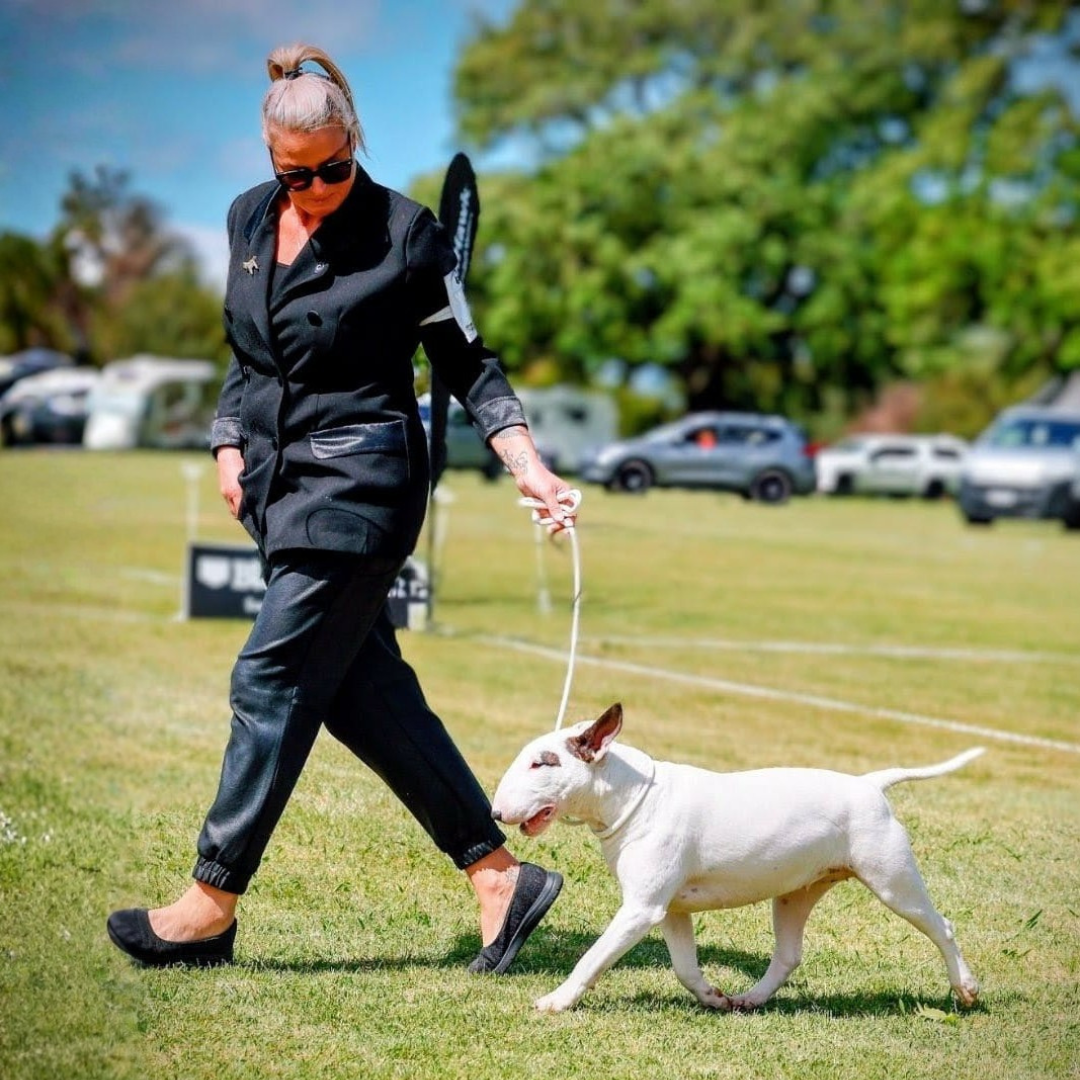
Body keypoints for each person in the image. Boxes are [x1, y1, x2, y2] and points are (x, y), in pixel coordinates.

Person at [106, 43, 576, 974]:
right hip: (278, 492)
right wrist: (229, 441)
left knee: (270, 679)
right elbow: (249, 352)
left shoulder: (406, 233)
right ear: (270, 158)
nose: (318, 187)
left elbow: (466, 360)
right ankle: (499, 878)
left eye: (335, 167)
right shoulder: (247, 218)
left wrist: (526, 461)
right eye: (298, 174)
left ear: (353, 141)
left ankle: (209, 902)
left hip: (363, 487)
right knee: (365, 694)